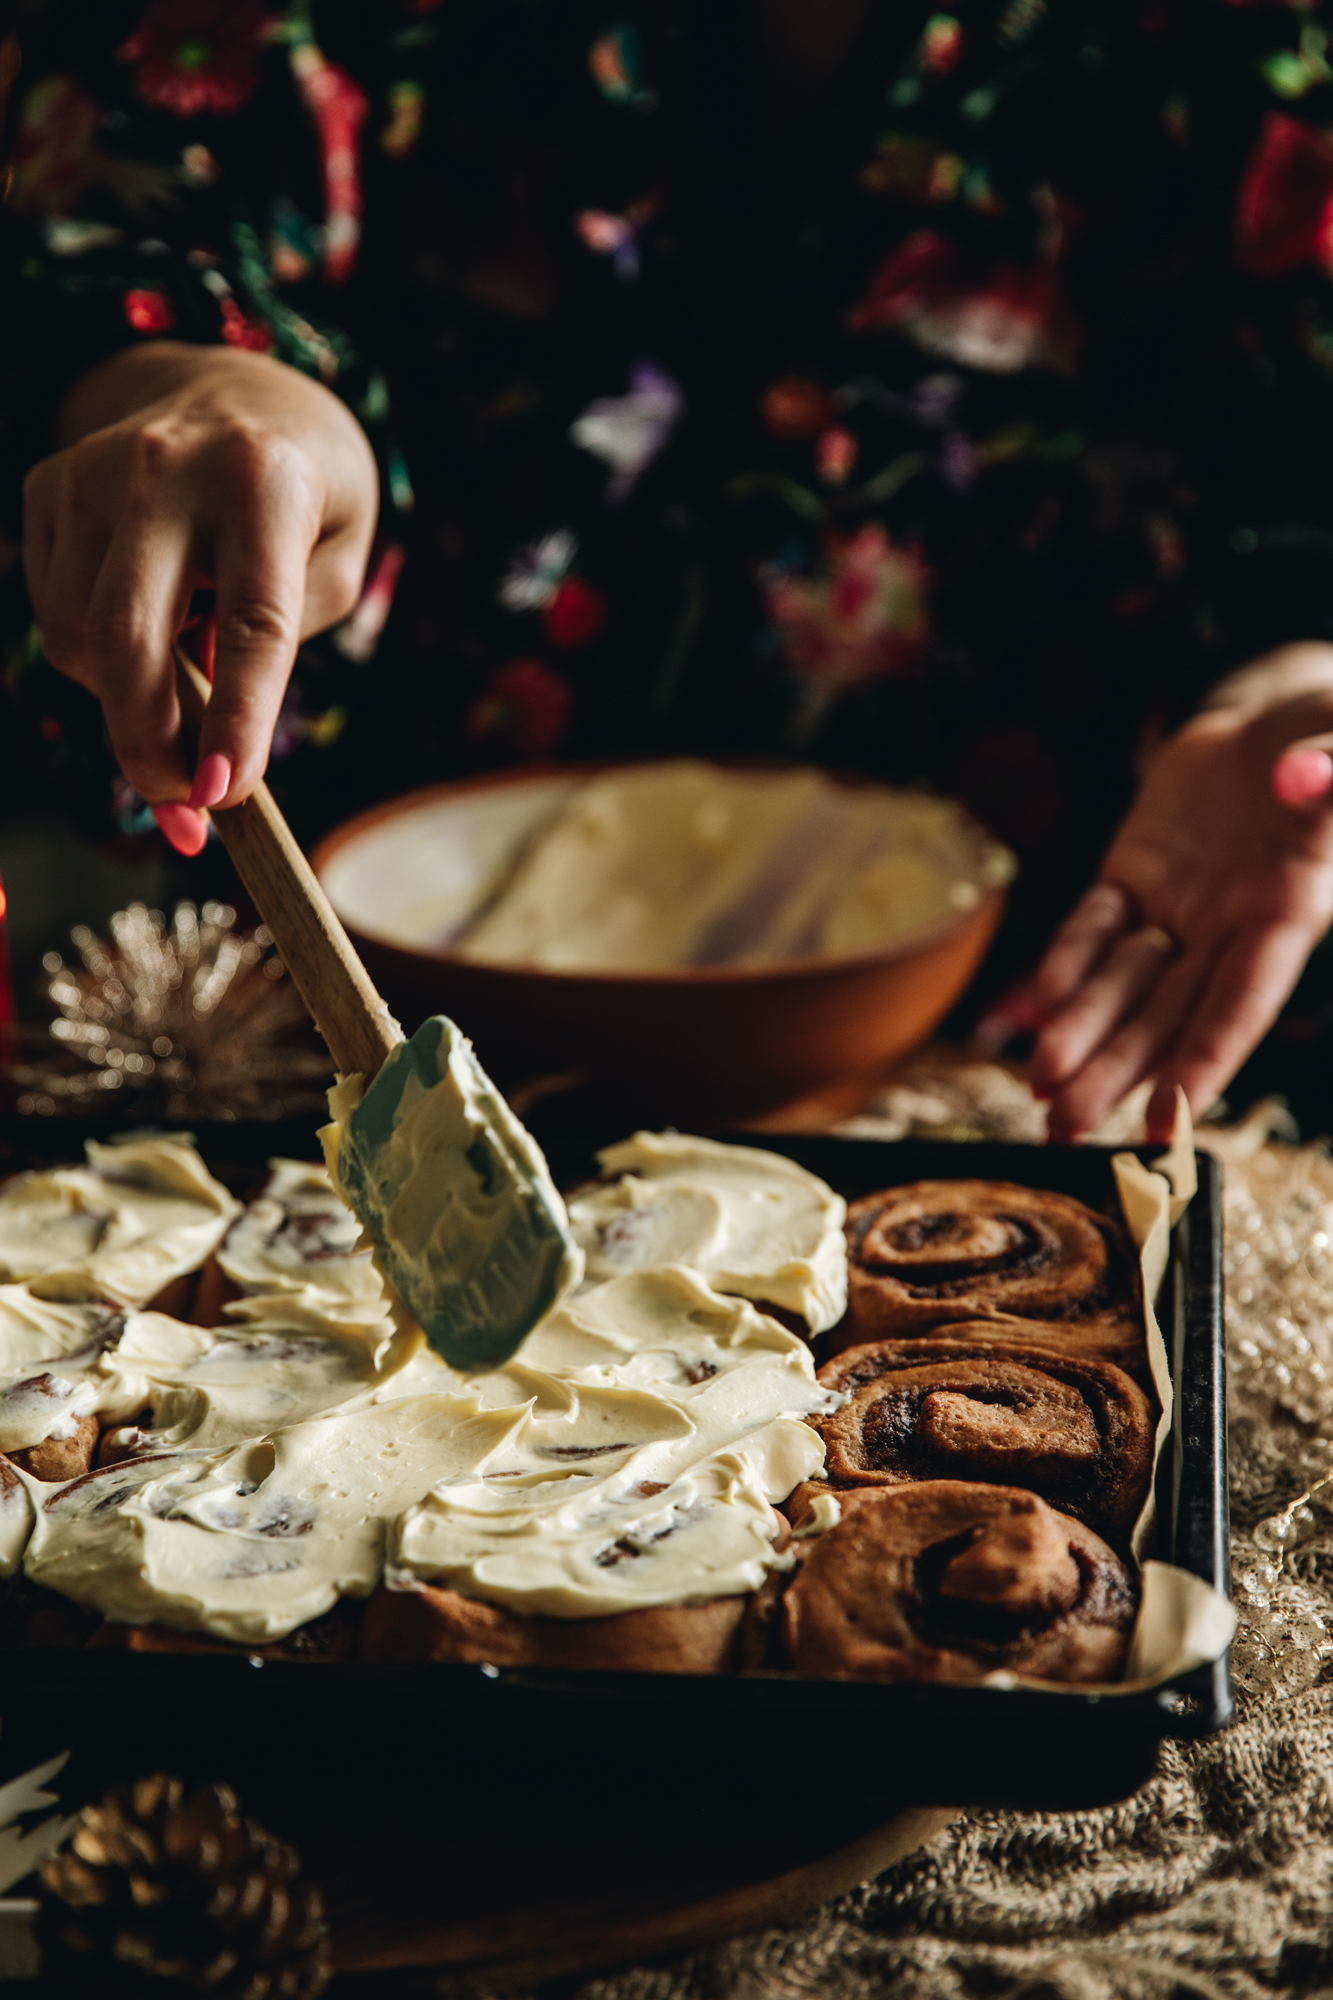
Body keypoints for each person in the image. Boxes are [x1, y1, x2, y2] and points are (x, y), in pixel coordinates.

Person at [5, 0, 1333, 1144]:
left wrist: (1296, 685)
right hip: (340, 1067)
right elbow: (115, 212)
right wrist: (200, 393)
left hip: (1020, 1075)